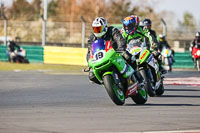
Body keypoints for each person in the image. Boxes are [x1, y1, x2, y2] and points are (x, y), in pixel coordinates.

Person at [86, 17, 143, 84]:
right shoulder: (92, 38)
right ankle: (108, 83)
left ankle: (139, 79)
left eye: (99, 28)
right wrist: (89, 63)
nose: (97, 31)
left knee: (129, 57)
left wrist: (121, 49)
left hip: (116, 52)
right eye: (95, 29)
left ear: (105, 27)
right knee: (92, 76)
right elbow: (90, 52)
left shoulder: (112, 30)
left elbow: (120, 39)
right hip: (102, 58)